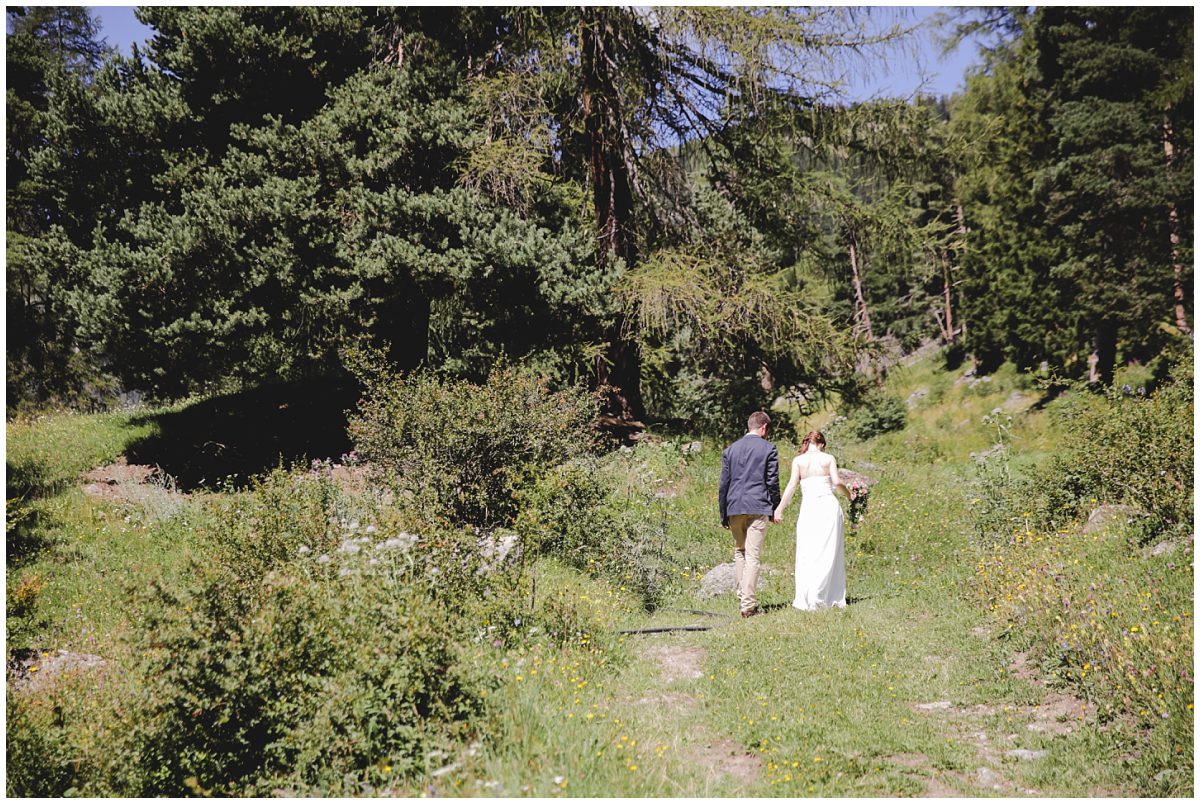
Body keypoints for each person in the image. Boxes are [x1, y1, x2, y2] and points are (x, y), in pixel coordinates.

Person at [774, 430, 850, 610]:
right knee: (829, 551)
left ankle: (810, 595)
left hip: (809, 510)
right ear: (822, 444)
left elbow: (791, 486)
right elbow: (837, 482)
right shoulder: (828, 458)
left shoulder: (798, 461)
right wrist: (850, 495)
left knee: (809, 551)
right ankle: (825, 594)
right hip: (828, 507)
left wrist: (779, 509)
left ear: (807, 443)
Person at [718, 411, 781, 618]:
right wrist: (775, 507)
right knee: (753, 556)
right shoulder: (768, 448)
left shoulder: (730, 450)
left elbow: (724, 485)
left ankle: (741, 595)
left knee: (740, 552)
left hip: (734, 507)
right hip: (758, 506)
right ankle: (747, 606)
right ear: (763, 428)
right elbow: (772, 481)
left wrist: (723, 513)